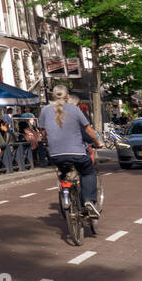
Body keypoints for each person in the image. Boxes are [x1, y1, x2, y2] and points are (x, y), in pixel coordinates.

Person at [43, 85, 101, 217]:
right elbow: (88, 130)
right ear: (67, 96)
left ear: (53, 96)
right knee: (88, 172)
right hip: (77, 153)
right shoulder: (74, 109)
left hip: (55, 155)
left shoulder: (45, 110)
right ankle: (88, 201)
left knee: (64, 172)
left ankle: (66, 193)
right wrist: (98, 142)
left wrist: (50, 143)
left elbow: (43, 132)